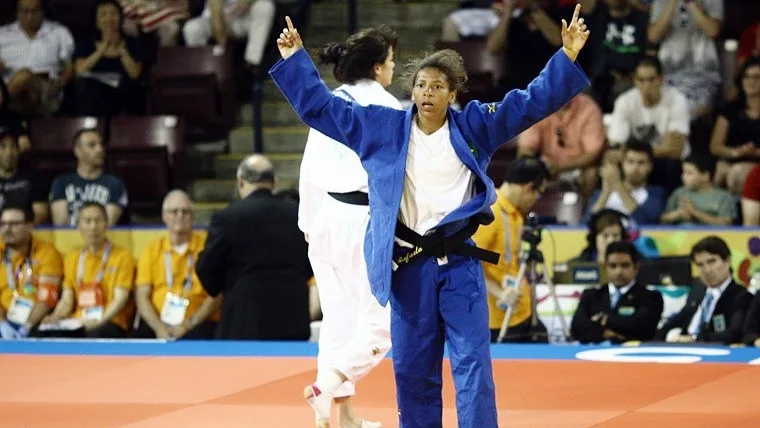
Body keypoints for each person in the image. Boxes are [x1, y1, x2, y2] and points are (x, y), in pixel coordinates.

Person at [272, 5, 590, 427]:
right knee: (412, 370)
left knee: (472, 366)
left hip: (459, 264)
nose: (426, 93)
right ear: (412, 90)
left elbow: (528, 104)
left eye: (437, 86)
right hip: (409, 266)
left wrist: (565, 57)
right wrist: (297, 60)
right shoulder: (384, 128)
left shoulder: (475, 126)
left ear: (453, 93)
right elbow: (324, 111)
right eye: (420, 85)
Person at [298, 26, 401, 428]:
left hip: (324, 218)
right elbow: (394, 178)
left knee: (338, 320)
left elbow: (309, 169)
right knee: (381, 323)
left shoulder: (332, 101)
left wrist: (308, 226)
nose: (393, 68)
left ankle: (340, 418)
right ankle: (326, 386)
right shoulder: (388, 108)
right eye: (391, 61)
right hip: (365, 222)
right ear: (377, 68)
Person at [196, 154, 312, 340]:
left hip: (243, 318)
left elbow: (207, 268)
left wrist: (225, 286)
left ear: (240, 182)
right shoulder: (298, 215)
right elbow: (312, 260)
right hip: (293, 316)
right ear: (273, 182)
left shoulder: (227, 217)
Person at [471, 156, 551, 343]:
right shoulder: (493, 213)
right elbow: (470, 260)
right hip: (498, 318)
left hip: (519, 312)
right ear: (529, 187)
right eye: (538, 194)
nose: (535, 201)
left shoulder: (514, 213)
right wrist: (500, 293)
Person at [570, 240, 663, 344]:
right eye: (613, 266)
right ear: (605, 267)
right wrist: (606, 333)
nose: (619, 271)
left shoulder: (651, 298)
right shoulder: (591, 295)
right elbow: (577, 328)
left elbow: (643, 329)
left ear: (636, 267)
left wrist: (604, 319)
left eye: (625, 265)